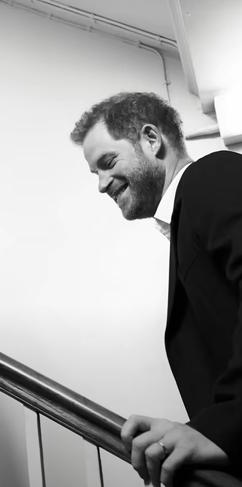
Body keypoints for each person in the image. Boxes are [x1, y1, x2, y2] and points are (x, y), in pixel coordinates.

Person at [70, 92, 242, 486]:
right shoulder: (188, 214)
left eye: (107, 163)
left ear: (151, 139)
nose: (100, 185)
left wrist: (224, 429)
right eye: (94, 172)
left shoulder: (211, 177)